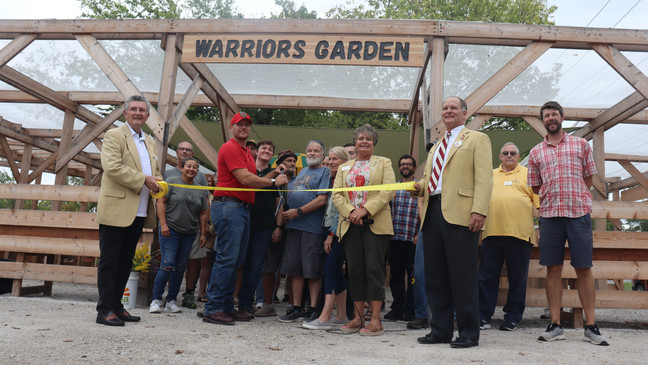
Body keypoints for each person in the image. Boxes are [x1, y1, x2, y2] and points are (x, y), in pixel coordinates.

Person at [527, 101, 609, 346]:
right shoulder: (535, 152)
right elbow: (534, 186)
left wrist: (574, 196)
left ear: (562, 117)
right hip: (550, 215)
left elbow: (588, 178)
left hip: (578, 214)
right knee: (552, 269)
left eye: (554, 114)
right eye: (546, 115)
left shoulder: (581, 144)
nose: (551, 118)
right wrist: (555, 197)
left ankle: (591, 326)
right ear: (543, 121)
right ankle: (555, 324)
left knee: (584, 268)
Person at [414, 96, 492, 348]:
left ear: (464, 114)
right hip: (433, 212)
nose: (448, 111)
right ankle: (440, 331)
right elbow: (431, 181)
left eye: (453, 108)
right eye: (444, 108)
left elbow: (484, 178)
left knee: (463, 275)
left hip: (462, 214)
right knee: (435, 276)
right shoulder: (436, 146)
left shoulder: (477, 139)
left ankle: (469, 332)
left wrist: (479, 210)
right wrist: (419, 188)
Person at [202, 112, 288, 326]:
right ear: (232, 127)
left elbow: (253, 180)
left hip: (239, 208)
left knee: (235, 260)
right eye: (239, 124)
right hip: (229, 206)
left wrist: (272, 174)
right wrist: (274, 182)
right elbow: (244, 178)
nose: (243, 127)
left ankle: (226, 307)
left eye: (247, 125)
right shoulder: (230, 148)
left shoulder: (245, 153)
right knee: (227, 258)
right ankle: (213, 308)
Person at [95, 94, 162, 326]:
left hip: (139, 210)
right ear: (125, 113)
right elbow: (112, 168)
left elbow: (155, 171)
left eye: (142, 110)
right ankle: (104, 310)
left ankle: (116, 306)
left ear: (148, 115)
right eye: (133, 109)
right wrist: (145, 179)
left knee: (125, 261)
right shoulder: (114, 135)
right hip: (116, 209)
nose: (137, 113)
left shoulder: (150, 141)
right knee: (109, 261)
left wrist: (159, 184)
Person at [332, 124, 396, 336]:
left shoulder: (384, 163)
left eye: (369, 138)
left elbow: (388, 191)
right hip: (351, 225)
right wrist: (352, 212)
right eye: (360, 138)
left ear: (374, 142)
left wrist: (365, 210)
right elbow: (337, 195)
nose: (364, 142)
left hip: (375, 224)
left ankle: (375, 319)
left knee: (374, 270)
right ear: (355, 142)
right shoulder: (344, 167)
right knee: (355, 271)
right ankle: (358, 317)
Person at [478, 142, 539, 331]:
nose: (509, 155)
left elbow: (539, 204)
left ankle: (512, 317)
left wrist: (540, 228)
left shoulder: (529, 174)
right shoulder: (489, 174)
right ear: (500, 156)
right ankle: (483, 316)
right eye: (506, 152)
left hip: (520, 234)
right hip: (491, 233)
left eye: (513, 152)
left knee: (518, 278)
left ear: (519, 156)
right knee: (487, 277)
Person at [278, 140, 329, 323]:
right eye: (309, 150)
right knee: (295, 270)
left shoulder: (325, 172)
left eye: (316, 151)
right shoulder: (300, 173)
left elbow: (322, 199)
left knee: (312, 270)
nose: (312, 153)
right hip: (293, 228)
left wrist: (298, 211)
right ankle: (297, 307)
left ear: (323, 155)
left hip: (312, 229)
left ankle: (313, 308)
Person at [150, 157, 209, 314]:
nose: (191, 169)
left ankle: (171, 300)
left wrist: (203, 233)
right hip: (170, 230)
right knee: (167, 264)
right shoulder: (171, 181)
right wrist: (163, 224)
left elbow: (203, 212)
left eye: (195, 167)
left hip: (189, 233)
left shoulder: (200, 188)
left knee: (180, 267)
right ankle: (155, 299)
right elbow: (160, 202)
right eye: (188, 166)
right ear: (182, 168)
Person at [303, 146, 350, 330]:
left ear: (344, 161)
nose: (330, 162)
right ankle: (342, 315)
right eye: (329, 159)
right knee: (336, 271)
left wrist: (331, 234)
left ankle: (325, 317)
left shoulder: (344, 180)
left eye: (335, 159)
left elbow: (340, 209)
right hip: (329, 228)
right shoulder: (331, 179)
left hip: (337, 230)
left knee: (330, 270)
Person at [237, 140, 283, 317]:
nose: (266, 151)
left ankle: (247, 303)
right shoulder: (247, 171)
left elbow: (279, 203)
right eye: (264, 148)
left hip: (265, 226)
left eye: (270, 149)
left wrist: (278, 226)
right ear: (256, 152)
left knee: (256, 266)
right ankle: (230, 299)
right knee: (239, 262)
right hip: (244, 221)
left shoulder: (277, 175)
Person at [163, 141, 207, 310]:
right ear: (176, 152)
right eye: (182, 149)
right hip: (172, 225)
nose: (185, 151)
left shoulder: (200, 175)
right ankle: (169, 295)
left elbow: (204, 203)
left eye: (188, 150)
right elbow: (161, 200)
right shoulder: (168, 174)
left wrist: (204, 228)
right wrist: (164, 223)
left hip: (193, 225)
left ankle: (189, 293)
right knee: (170, 261)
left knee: (194, 260)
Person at [256, 150, 298, 317]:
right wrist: (278, 226)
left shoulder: (299, 182)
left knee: (293, 268)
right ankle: (267, 303)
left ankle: (294, 305)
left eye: (294, 161)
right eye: (288, 161)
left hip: (295, 229)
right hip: (274, 228)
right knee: (269, 267)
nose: (292, 164)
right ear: (280, 164)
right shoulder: (273, 182)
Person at [385, 155, 420, 322]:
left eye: (409, 164)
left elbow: (425, 212)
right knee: (395, 276)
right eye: (403, 164)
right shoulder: (393, 188)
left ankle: (411, 309)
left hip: (413, 239)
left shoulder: (419, 188)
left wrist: (419, 233)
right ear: (399, 168)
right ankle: (397, 308)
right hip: (395, 239)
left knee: (413, 276)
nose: (405, 166)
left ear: (414, 167)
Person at [197, 173, 217, 302]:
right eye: (206, 181)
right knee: (205, 264)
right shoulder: (202, 196)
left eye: (210, 181)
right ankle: (201, 292)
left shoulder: (216, 196)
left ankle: (212, 292)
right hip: (205, 234)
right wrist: (204, 230)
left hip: (216, 233)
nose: (208, 183)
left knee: (216, 265)